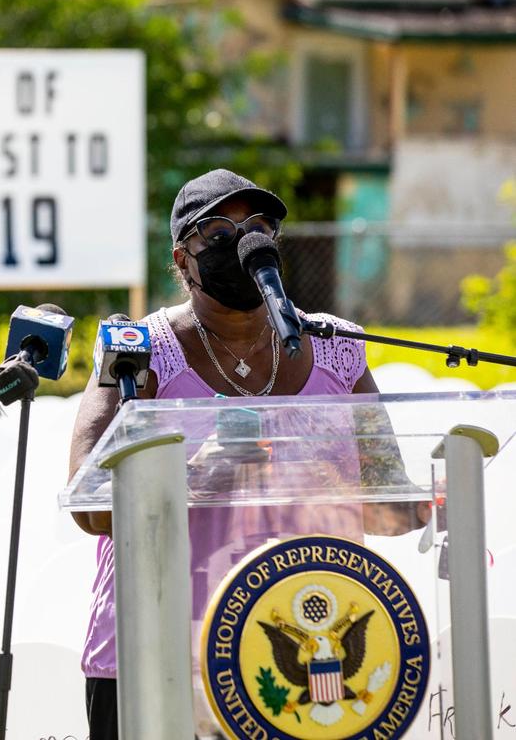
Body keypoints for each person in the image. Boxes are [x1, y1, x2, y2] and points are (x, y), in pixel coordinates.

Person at [67, 169, 426, 740]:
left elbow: (389, 505)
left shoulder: (340, 349)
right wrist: (191, 476)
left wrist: (427, 497)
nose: (242, 243)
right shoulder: (139, 351)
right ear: (183, 261)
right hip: (159, 650)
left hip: (306, 647)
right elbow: (90, 506)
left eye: (257, 228)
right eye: (218, 234)